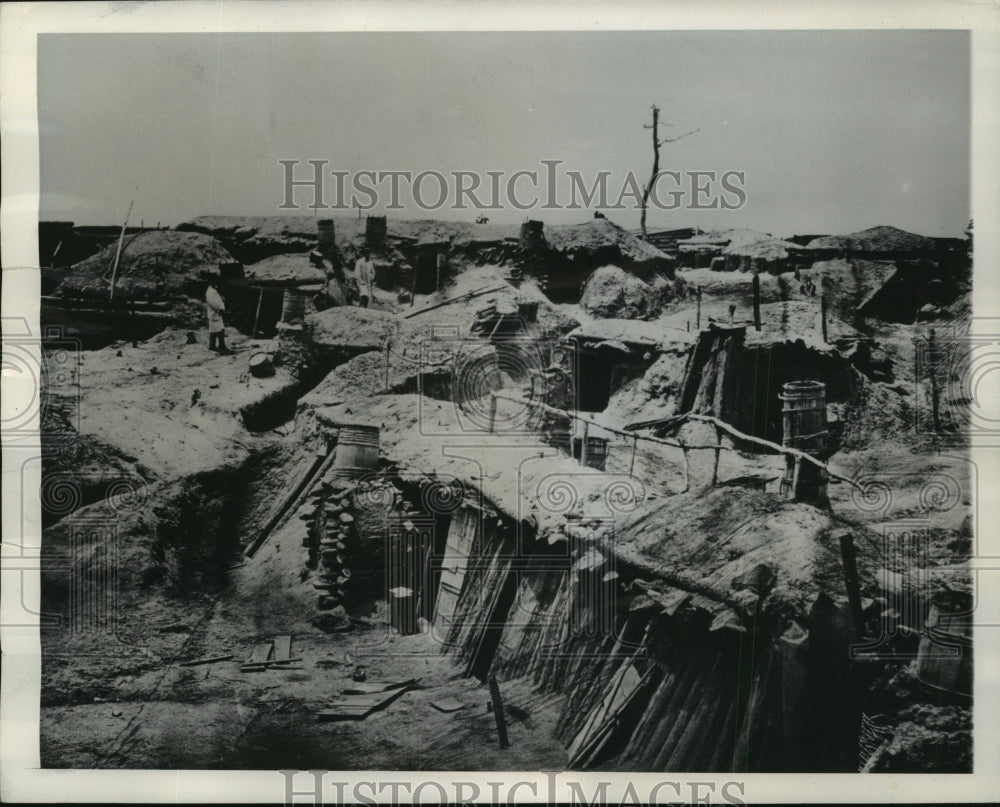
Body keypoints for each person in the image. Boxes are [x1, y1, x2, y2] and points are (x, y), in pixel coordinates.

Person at [205, 281, 230, 354]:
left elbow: (219, 301)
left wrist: (222, 308)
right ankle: (212, 345)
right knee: (214, 329)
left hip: (218, 313)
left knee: (221, 328)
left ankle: (222, 345)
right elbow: (212, 303)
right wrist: (219, 309)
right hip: (214, 313)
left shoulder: (214, 290)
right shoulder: (209, 292)